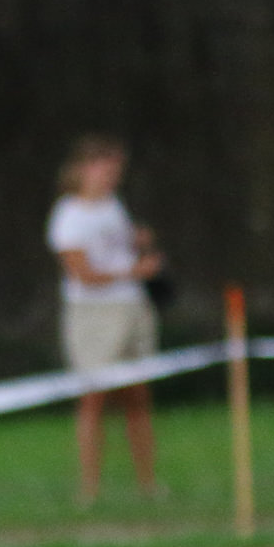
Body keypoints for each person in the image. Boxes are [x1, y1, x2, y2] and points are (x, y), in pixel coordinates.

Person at [48, 133, 164, 506]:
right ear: (83, 168)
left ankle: (148, 484)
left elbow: (115, 248)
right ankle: (89, 489)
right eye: (105, 168)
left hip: (131, 307)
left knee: (138, 398)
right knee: (93, 400)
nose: (112, 176)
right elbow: (83, 274)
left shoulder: (114, 206)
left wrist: (137, 242)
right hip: (93, 315)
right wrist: (134, 272)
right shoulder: (69, 215)